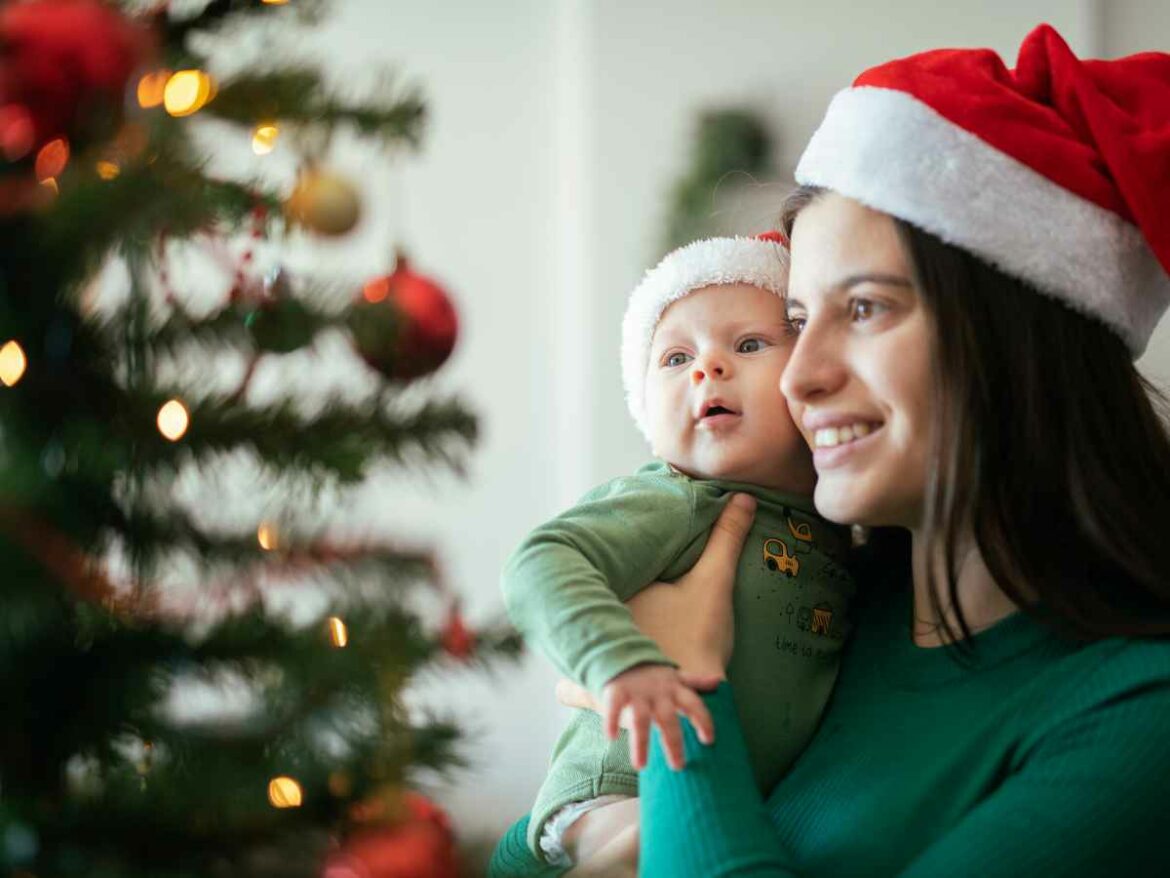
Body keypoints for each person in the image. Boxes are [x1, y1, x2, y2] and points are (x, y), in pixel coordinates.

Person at [490, 23, 1170, 877]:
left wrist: (688, 704)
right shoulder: (827, 608)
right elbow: (515, 863)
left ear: (1019, 338)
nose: (796, 377)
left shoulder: (1137, 716)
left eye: (866, 310)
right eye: (799, 323)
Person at [500, 235, 855, 873]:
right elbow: (540, 561)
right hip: (619, 790)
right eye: (674, 357)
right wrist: (623, 666)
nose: (706, 368)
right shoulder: (679, 500)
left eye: (748, 345)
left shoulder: (843, 528)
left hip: (737, 796)